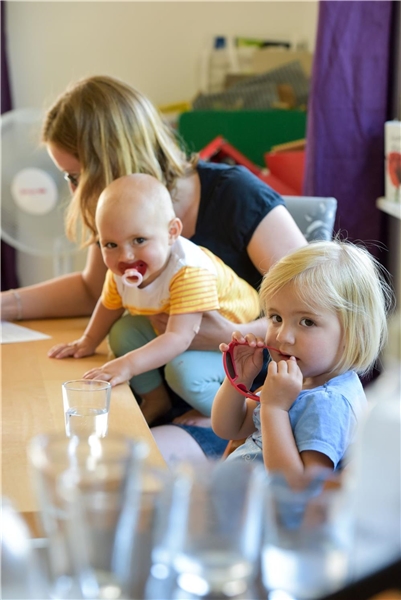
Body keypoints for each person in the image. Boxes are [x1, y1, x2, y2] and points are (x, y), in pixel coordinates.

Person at [0, 75, 306, 457]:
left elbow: (315, 310)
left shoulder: (236, 196)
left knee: (111, 463)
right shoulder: (122, 221)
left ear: (110, 163)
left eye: (76, 176)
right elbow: (93, 290)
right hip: (155, 392)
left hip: (236, 401)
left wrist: (232, 333)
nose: (74, 192)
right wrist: (6, 304)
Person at [48, 173, 261, 425]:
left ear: (172, 232)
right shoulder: (120, 270)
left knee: (183, 373)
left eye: (139, 240)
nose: (125, 255)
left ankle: (229, 416)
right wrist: (88, 341)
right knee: (121, 332)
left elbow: (178, 338)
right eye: (110, 244)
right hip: (179, 327)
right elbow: (109, 306)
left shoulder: (189, 271)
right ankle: (156, 399)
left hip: (228, 343)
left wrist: (127, 365)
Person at [211, 240, 392, 475]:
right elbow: (228, 428)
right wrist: (239, 380)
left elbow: (299, 490)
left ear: (354, 333)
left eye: (307, 322)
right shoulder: (297, 379)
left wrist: (275, 409)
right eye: (276, 318)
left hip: (266, 510)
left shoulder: (328, 404)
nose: (283, 336)